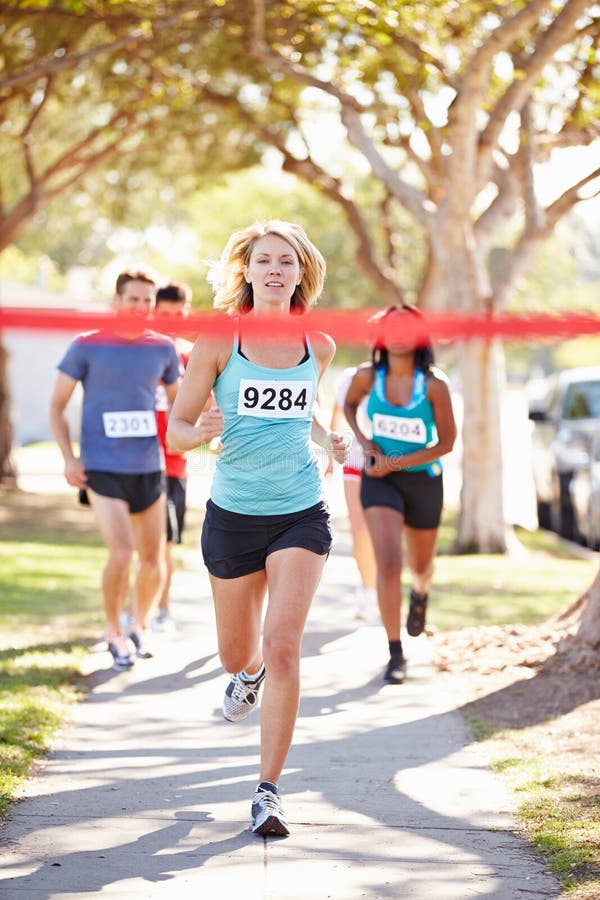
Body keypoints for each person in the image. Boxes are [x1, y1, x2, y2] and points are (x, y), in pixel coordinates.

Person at [167, 220, 347, 837]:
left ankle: (269, 791)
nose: (275, 270)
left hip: (300, 510)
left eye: (287, 262)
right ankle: (245, 678)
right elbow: (178, 429)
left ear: (303, 274)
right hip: (234, 515)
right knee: (239, 653)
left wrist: (331, 438)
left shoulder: (317, 345)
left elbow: (304, 414)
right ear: (245, 270)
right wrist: (203, 431)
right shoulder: (220, 339)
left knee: (284, 646)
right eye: (264, 260)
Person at [49, 269, 182, 672]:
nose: (141, 307)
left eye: (147, 300)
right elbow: (56, 407)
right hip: (102, 467)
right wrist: (69, 458)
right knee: (122, 553)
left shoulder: (163, 349)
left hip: (149, 467)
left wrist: (191, 432)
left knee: (154, 558)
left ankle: (139, 626)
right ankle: (113, 631)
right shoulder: (86, 346)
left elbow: (180, 404)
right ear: (117, 302)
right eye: (133, 299)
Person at [344, 304, 457, 685]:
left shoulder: (435, 385)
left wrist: (398, 461)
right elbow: (348, 405)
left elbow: (447, 442)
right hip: (381, 482)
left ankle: (421, 594)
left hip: (423, 480)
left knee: (420, 567)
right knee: (389, 563)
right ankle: (395, 653)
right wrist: (365, 443)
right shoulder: (366, 377)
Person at [152, 281, 194, 633]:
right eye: (163, 314)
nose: (170, 321)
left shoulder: (193, 355)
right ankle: (138, 612)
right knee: (139, 543)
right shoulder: (139, 351)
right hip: (136, 460)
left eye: (177, 314)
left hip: (175, 462)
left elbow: (211, 401)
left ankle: (161, 610)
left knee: (165, 540)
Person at [328, 366, 377, 619]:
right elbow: (337, 415)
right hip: (356, 462)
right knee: (360, 530)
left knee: (387, 532)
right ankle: (368, 592)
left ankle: (381, 585)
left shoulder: (400, 377)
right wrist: (329, 456)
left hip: (391, 463)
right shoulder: (349, 377)